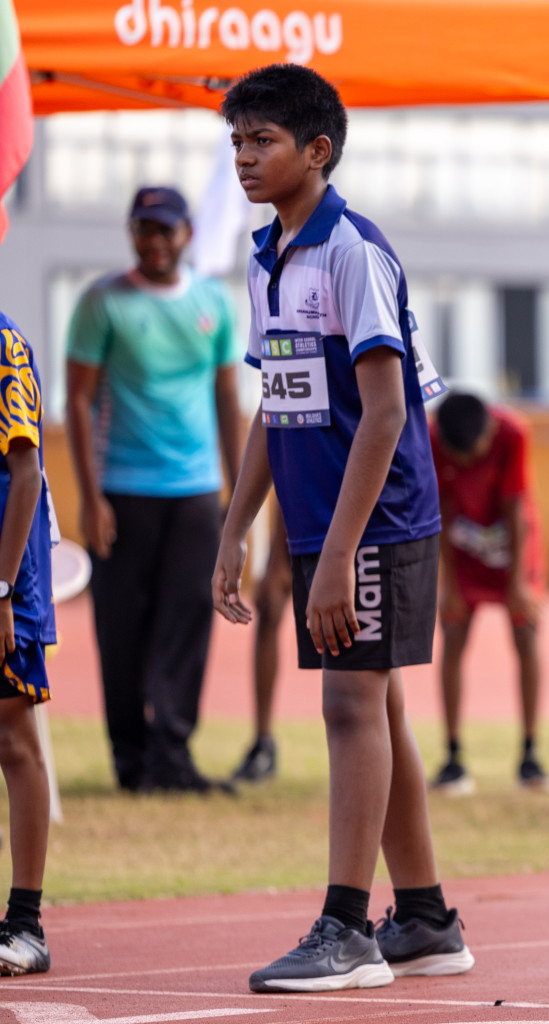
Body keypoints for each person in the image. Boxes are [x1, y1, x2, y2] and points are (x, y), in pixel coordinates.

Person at [212, 63, 471, 993]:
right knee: (380, 706)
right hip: (322, 520)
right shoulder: (266, 252)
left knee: (349, 706)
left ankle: (346, 929)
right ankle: (429, 920)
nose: (244, 157)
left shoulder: (350, 252)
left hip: (376, 520)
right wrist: (237, 527)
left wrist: (341, 555)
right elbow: (271, 405)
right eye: (237, 140)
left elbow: (389, 414)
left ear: (318, 151)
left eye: (263, 141)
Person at [64, 186, 244, 794]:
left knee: (189, 619)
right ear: (131, 233)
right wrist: (90, 500)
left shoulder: (214, 302)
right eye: (144, 228)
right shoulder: (101, 301)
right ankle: (130, 759)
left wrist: (238, 497)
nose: (155, 240)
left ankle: (172, 755)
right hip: (122, 490)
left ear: (187, 234)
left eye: (165, 229)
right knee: (121, 624)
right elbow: (79, 400)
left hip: (196, 492)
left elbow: (227, 398)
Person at [429, 392, 549, 795]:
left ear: (490, 432)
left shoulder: (514, 432)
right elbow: (439, 508)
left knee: (526, 635)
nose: (464, 463)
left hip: (514, 551)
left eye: (472, 455)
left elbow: (517, 506)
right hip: (464, 554)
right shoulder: (432, 436)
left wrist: (518, 583)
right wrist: (446, 583)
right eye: (456, 456)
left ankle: (530, 753)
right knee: (452, 638)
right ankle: (452, 755)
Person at [0, 312, 57, 976]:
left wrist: (4, 589)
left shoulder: (4, 344)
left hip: (8, 578)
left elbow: (28, 473)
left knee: (12, 738)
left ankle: (27, 921)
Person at [230, 508, 290, 784]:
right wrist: (277, 560)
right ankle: (263, 742)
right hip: (314, 514)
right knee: (269, 606)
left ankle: (382, 742)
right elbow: (293, 470)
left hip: (371, 526)